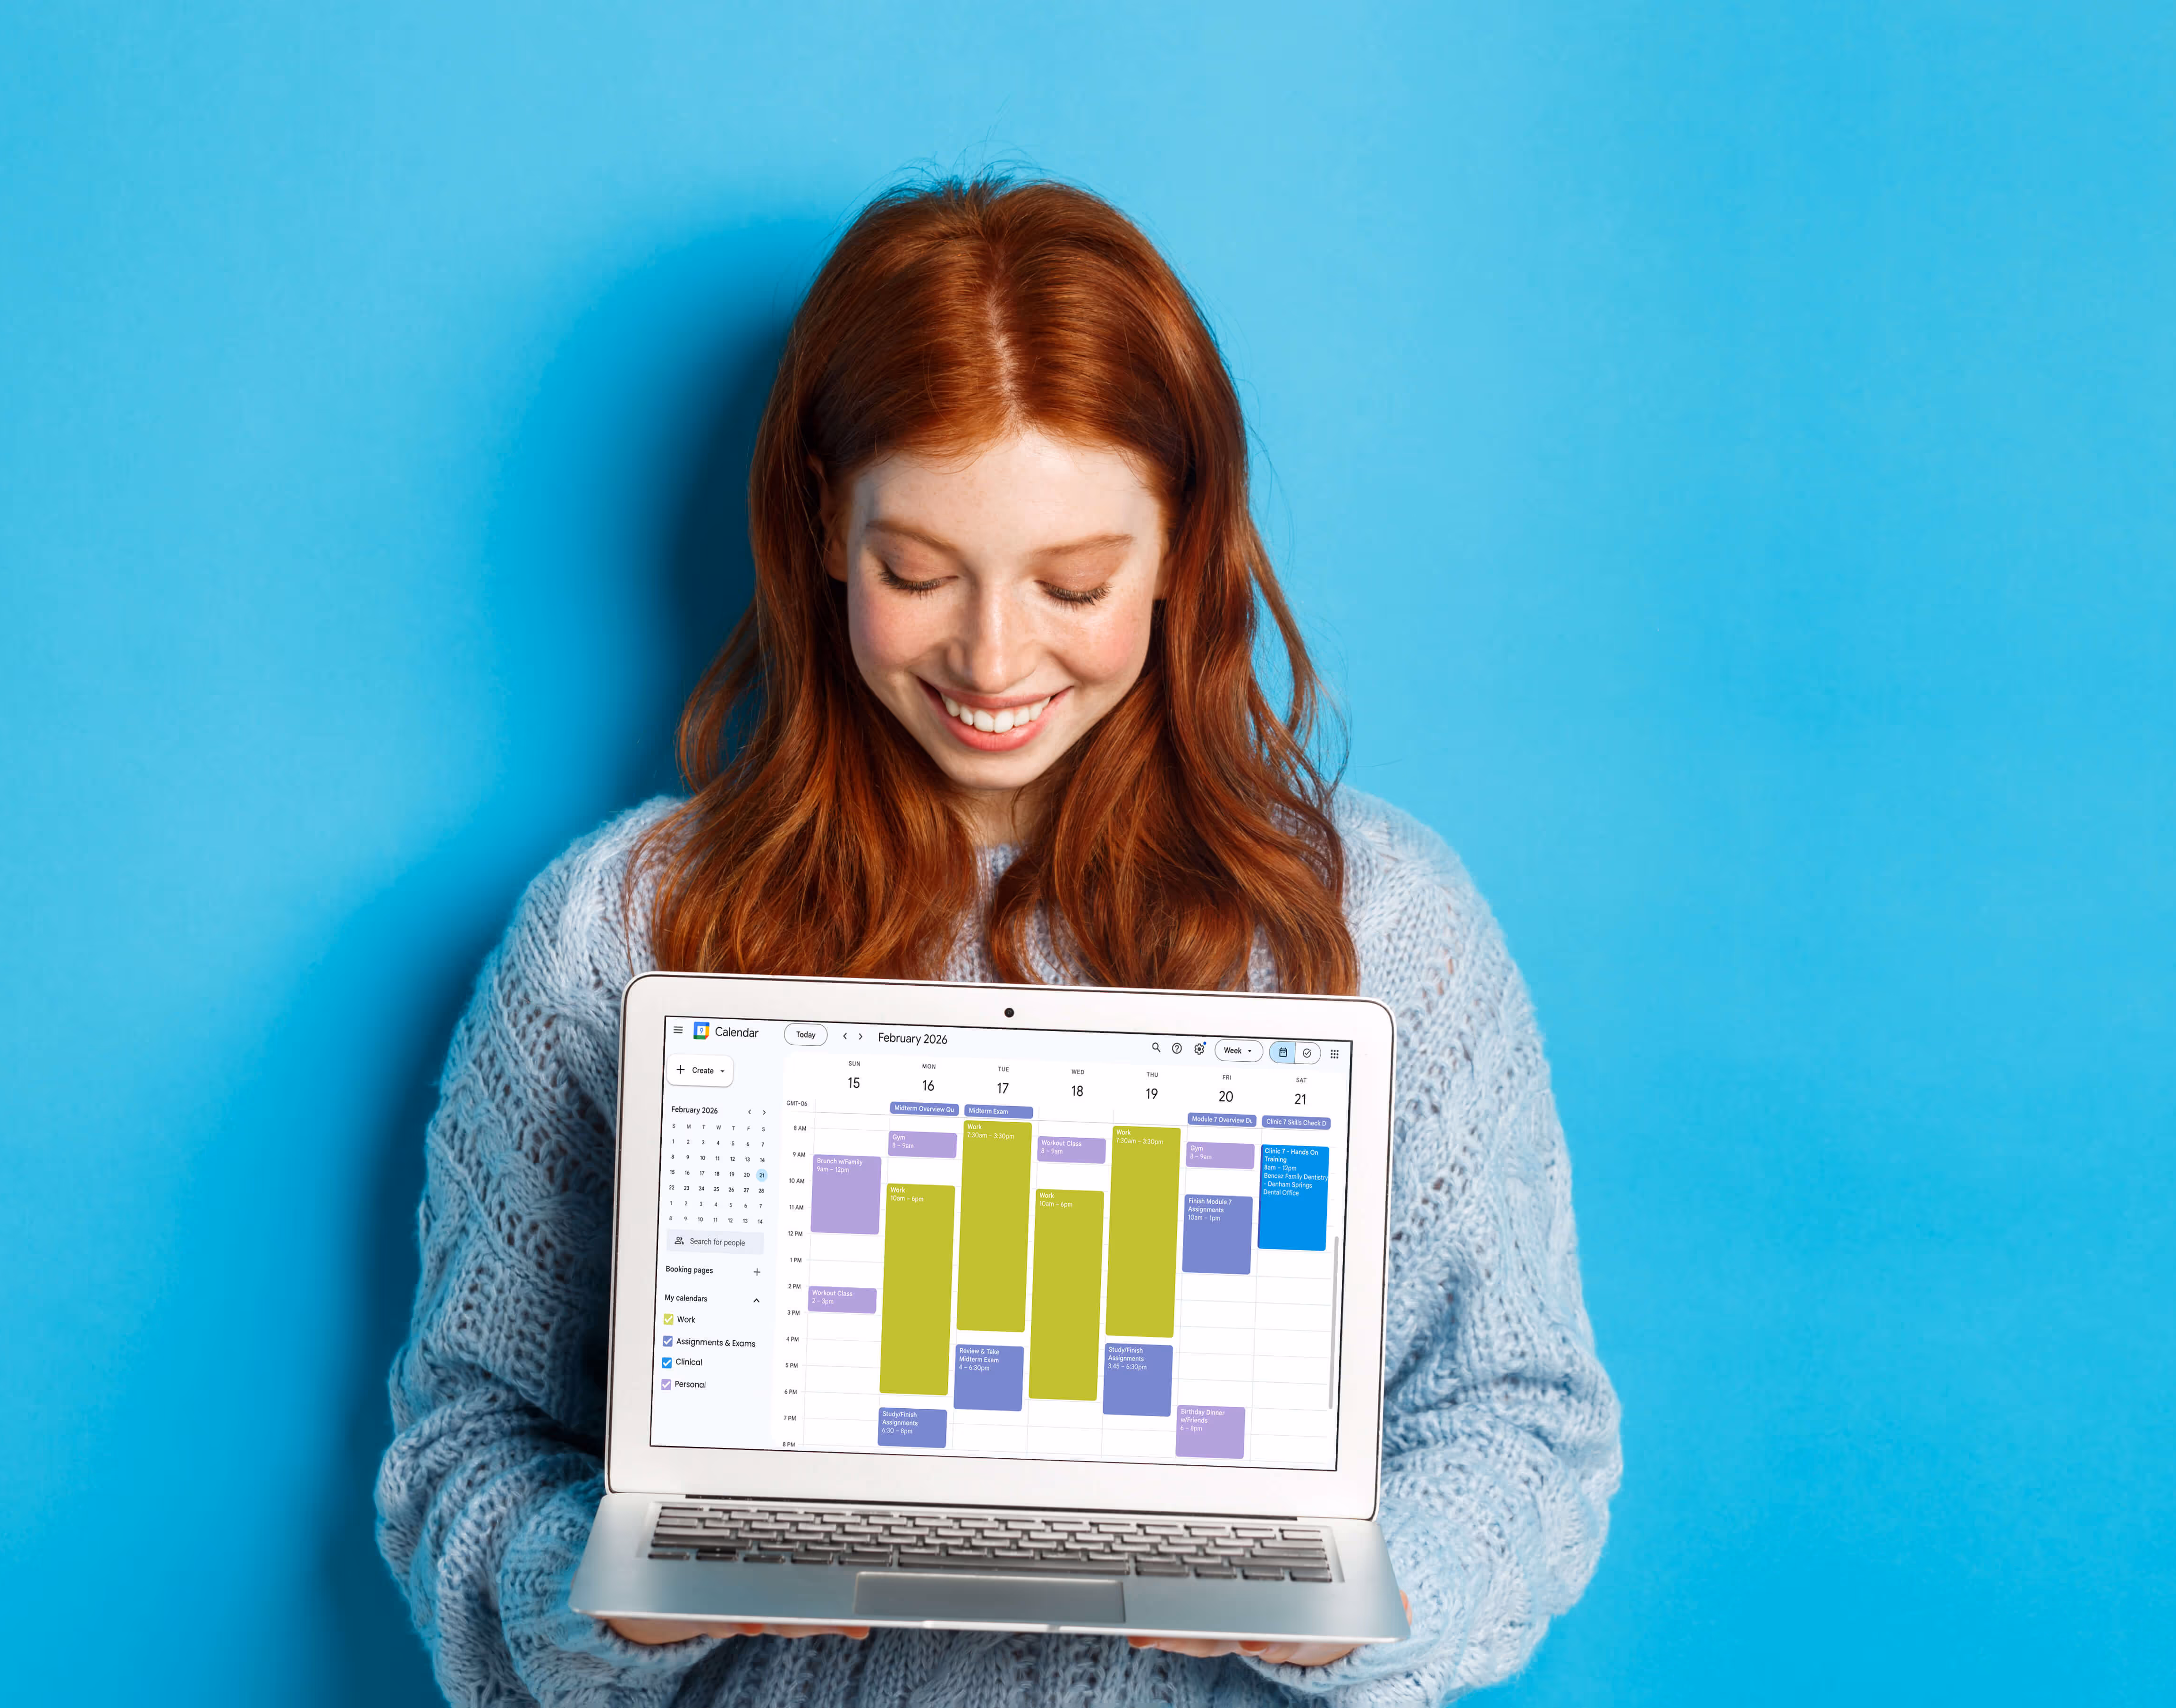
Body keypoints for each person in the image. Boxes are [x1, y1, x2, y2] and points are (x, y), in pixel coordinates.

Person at [375, 175, 1619, 1706]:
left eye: (1075, 584)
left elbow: (1524, 1417)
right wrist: (614, 1589)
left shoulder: (1381, 926)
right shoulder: (617, 934)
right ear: (822, 519)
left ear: (1183, 546)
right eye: (917, 573)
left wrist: (1368, 1599)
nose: (993, 658)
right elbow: (467, 1443)